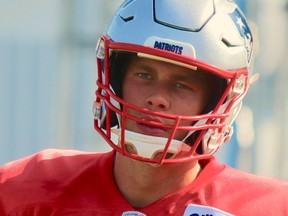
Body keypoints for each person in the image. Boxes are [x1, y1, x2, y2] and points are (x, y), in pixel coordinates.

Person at [0, 0, 287, 215]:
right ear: (115, 77)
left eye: (182, 84)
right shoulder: (25, 187)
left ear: (219, 100)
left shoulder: (267, 208)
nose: (157, 98)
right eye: (144, 75)